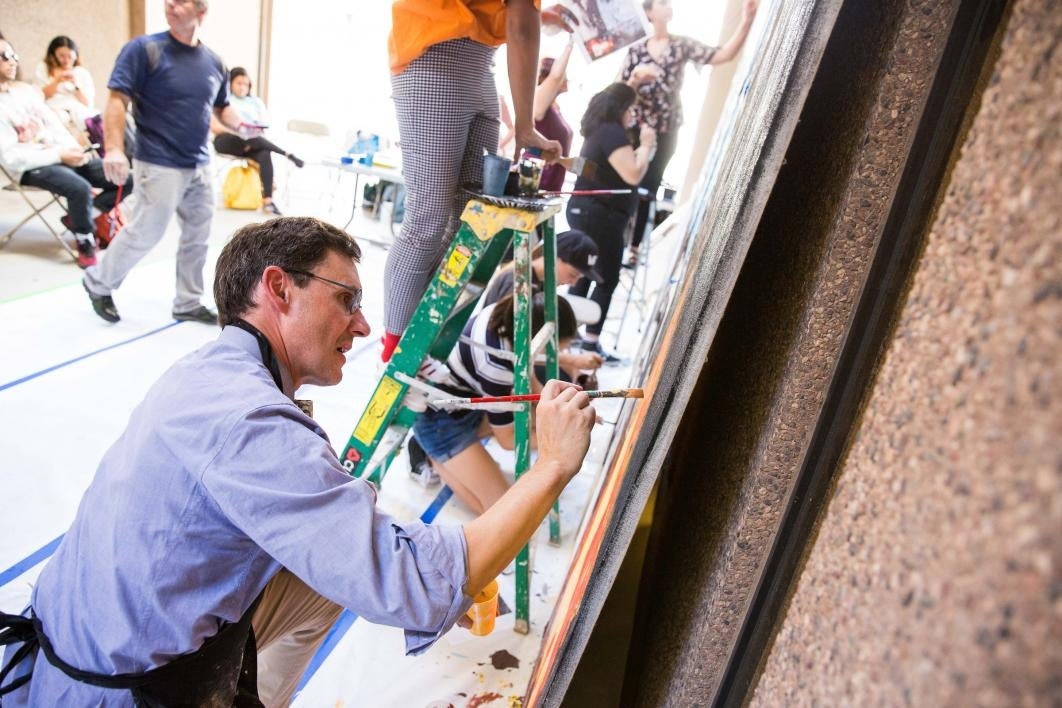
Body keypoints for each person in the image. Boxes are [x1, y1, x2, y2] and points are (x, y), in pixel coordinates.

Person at [0, 216, 596, 706]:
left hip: (82, 640)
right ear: (278, 288)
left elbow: (341, 535)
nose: (363, 326)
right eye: (346, 301)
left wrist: (443, 573)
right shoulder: (252, 424)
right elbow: (408, 583)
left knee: (329, 579)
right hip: (116, 694)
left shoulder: (210, 370)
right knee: (389, 570)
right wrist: (552, 466)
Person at [381, 0, 566, 363]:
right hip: (434, 56)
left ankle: (421, 348)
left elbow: (511, 15)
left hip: (481, 64)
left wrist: (540, 16)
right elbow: (521, 24)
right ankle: (395, 354)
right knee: (427, 220)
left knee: (464, 220)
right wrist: (525, 126)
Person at [81, 0, 244, 325]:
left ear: (201, 12)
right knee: (146, 230)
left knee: (198, 235)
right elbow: (116, 101)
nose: (170, 4)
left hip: (199, 163)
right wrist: (113, 148)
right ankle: (97, 282)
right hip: (158, 161)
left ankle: (187, 301)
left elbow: (221, 106)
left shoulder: (213, 61)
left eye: (181, 1)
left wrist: (239, 121)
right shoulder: (144, 50)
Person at [413, 292, 580, 514]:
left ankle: (449, 457)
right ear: (537, 338)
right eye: (557, 346)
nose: (559, 352)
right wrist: (561, 438)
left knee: (532, 422)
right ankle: (437, 459)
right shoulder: (496, 367)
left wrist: (559, 410)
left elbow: (530, 378)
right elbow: (509, 441)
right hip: (441, 423)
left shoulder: (506, 316)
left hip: (465, 404)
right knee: (501, 513)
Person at [621, 0, 758, 266]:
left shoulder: (680, 45)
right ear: (649, 13)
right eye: (661, 2)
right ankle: (618, 235)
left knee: (649, 186)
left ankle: (634, 247)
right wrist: (637, 80)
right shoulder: (636, 50)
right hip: (637, 128)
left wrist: (746, 22)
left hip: (666, 129)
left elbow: (721, 55)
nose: (667, 5)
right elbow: (620, 91)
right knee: (627, 181)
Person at [0, 38, 132, 268]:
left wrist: (73, 149)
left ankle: (84, 217)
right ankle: (85, 240)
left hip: (62, 155)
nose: (11, 61)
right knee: (79, 188)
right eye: (4, 56)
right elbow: (10, 157)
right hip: (31, 166)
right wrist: (59, 155)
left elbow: (53, 124)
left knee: (123, 176)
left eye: (13, 55)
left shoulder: (26, 92)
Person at [566, 82, 655, 362]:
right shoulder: (612, 132)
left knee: (581, 274)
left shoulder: (600, 129)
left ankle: (569, 336)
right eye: (631, 109)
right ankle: (589, 342)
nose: (633, 116)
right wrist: (647, 146)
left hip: (590, 211)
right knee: (605, 278)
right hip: (599, 215)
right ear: (622, 107)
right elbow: (632, 173)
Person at [211, 66, 303, 216]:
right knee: (251, 140)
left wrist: (251, 130)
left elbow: (263, 124)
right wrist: (237, 131)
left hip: (251, 141)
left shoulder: (255, 102)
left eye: (245, 84)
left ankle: (268, 201)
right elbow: (215, 126)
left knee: (264, 152)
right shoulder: (223, 100)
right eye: (239, 83)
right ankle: (286, 153)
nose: (242, 87)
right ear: (230, 84)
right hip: (226, 140)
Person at [33, 36, 97, 141]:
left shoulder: (82, 72)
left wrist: (76, 85)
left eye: (69, 56)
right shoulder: (43, 68)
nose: (66, 60)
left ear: (75, 55)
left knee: (90, 121)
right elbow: (39, 96)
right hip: (54, 109)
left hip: (77, 110)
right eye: (61, 56)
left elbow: (88, 103)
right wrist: (57, 81)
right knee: (57, 120)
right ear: (53, 55)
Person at [534, 36, 576, 192]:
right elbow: (555, 77)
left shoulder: (555, 108)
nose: (566, 77)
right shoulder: (538, 101)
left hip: (552, 183)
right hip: (538, 180)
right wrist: (571, 43)